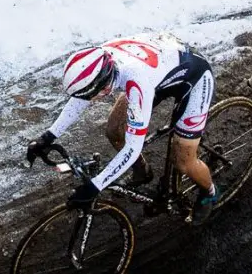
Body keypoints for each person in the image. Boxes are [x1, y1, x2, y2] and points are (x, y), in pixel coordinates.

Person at [25, 33, 219, 225]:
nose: (90, 100)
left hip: (194, 79)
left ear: (104, 87)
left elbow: (133, 148)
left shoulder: (135, 80)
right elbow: (80, 98)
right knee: (115, 130)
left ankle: (209, 192)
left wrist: (96, 185)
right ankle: (143, 172)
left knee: (183, 161)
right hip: (160, 68)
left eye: (92, 95)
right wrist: (48, 137)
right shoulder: (99, 62)